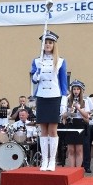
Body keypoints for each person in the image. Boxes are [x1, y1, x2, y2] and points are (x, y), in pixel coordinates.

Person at [30, 30, 68, 171]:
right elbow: (33, 79)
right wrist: (37, 75)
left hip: (55, 97)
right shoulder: (36, 61)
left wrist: (63, 102)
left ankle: (52, 160)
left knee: (53, 130)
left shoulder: (61, 61)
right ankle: (44, 160)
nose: (47, 45)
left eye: (50, 42)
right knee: (43, 131)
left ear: (54, 44)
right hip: (41, 97)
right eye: (45, 42)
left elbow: (63, 84)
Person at [60, 80, 90, 168]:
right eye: (74, 89)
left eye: (77, 89)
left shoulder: (85, 101)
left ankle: (78, 170)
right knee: (71, 150)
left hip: (79, 124)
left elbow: (86, 116)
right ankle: (71, 170)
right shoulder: (67, 100)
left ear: (80, 90)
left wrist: (79, 108)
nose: (76, 91)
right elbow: (63, 115)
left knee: (79, 150)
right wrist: (69, 112)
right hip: (70, 123)